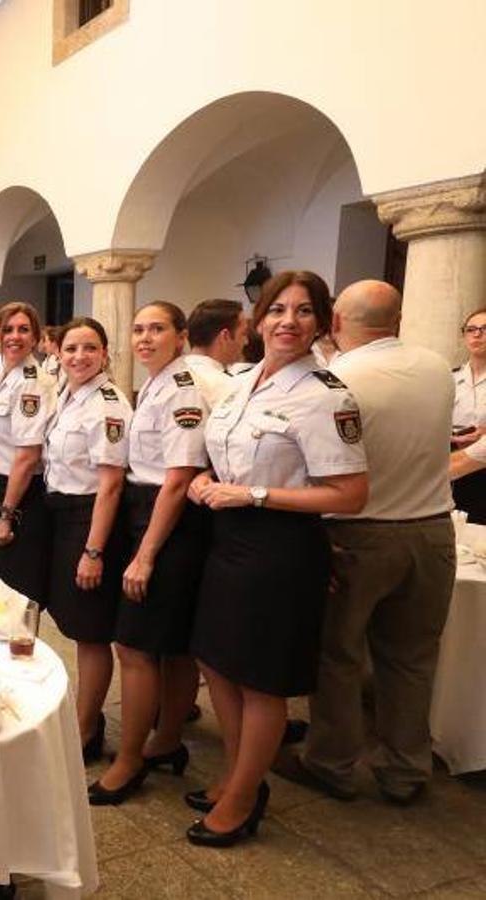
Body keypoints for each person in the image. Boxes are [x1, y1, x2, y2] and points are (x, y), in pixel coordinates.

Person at [186, 270, 368, 847]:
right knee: (216, 661)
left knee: (261, 681)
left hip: (281, 548)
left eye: (305, 311)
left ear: (324, 322)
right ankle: (243, 775)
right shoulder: (242, 383)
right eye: (277, 310)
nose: (289, 321)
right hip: (229, 537)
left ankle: (242, 799)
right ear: (257, 321)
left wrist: (253, 494)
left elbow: (350, 493)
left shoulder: (324, 395)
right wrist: (207, 480)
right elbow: (231, 458)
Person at [274, 281, 455, 806]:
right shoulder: (436, 367)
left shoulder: (335, 379)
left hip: (358, 532)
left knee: (338, 655)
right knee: (412, 658)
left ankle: (331, 760)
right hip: (431, 528)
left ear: (333, 323)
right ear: (397, 320)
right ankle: (405, 769)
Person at [88, 303, 208, 806]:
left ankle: (132, 758)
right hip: (152, 509)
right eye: (138, 329)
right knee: (173, 647)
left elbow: (178, 479)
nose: (144, 338)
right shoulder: (158, 384)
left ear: (180, 336)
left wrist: (145, 555)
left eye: (157, 329)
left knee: (133, 646)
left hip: (164, 520)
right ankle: (167, 739)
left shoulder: (181, 391)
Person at [44, 316, 131, 763]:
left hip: (89, 520)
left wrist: (93, 551)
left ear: (104, 353)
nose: (79, 356)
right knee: (78, 627)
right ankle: (85, 720)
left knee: (92, 632)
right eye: (71, 348)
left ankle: (85, 731)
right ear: (58, 352)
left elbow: (111, 484)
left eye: (89, 348)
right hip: (64, 515)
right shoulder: (69, 394)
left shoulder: (108, 404)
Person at [0, 302, 55, 614]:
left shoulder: (32, 380)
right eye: (8, 329)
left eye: (24, 329)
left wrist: (6, 515)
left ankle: (23, 655)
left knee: (21, 593)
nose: (15, 336)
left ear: (35, 337)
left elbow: (27, 455)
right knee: (6, 588)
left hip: (20, 495)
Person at [450, 308, 486, 522]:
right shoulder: (450, 378)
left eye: (484, 329)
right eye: (471, 329)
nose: (477, 335)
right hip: (453, 459)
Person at [183, 299, 247, 409]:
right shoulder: (228, 387)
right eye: (243, 334)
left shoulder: (169, 376)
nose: (246, 342)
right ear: (225, 336)